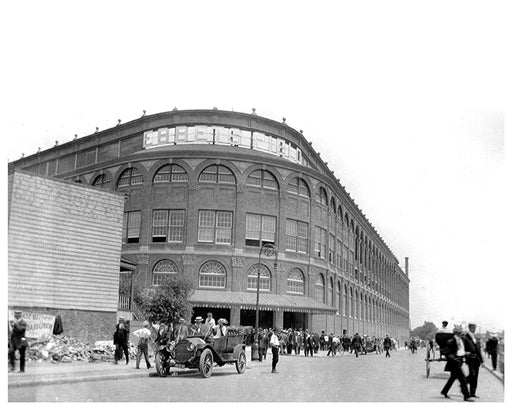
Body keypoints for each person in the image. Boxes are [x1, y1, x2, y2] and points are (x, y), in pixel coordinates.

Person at [440, 325, 472, 401]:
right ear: (456, 333)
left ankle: (444, 391)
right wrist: (455, 359)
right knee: (463, 379)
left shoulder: (461, 340)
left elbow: (460, 351)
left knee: (452, 378)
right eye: (461, 332)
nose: (462, 334)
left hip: (459, 361)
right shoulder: (451, 341)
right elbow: (447, 353)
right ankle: (466, 396)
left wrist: (465, 353)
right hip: (454, 363)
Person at [463, 322, 483, 399]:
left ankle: (472, 393)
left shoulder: (475, 337)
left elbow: (478, 349)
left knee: (475, 376)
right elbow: (462, 348)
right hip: (470, 359)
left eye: (474, 328)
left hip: (477, 359)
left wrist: (481, 360)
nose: (473, 329)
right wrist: (465, 353)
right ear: (469, 328)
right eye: (472, 327)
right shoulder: (465, 337)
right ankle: (464, 383)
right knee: (473, 375)